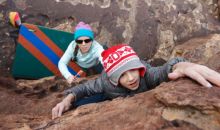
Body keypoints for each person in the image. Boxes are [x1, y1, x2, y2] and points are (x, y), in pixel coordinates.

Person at [52, 44, 220, 119]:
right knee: (84, 103)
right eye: (122, 74)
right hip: (109, 96)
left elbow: (163, 71)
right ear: (113, 78)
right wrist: (68, 99)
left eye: (133, 70)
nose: (131, 78)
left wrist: (182, 65)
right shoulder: (105, 82)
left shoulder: (145, 74)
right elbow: (85, 88)